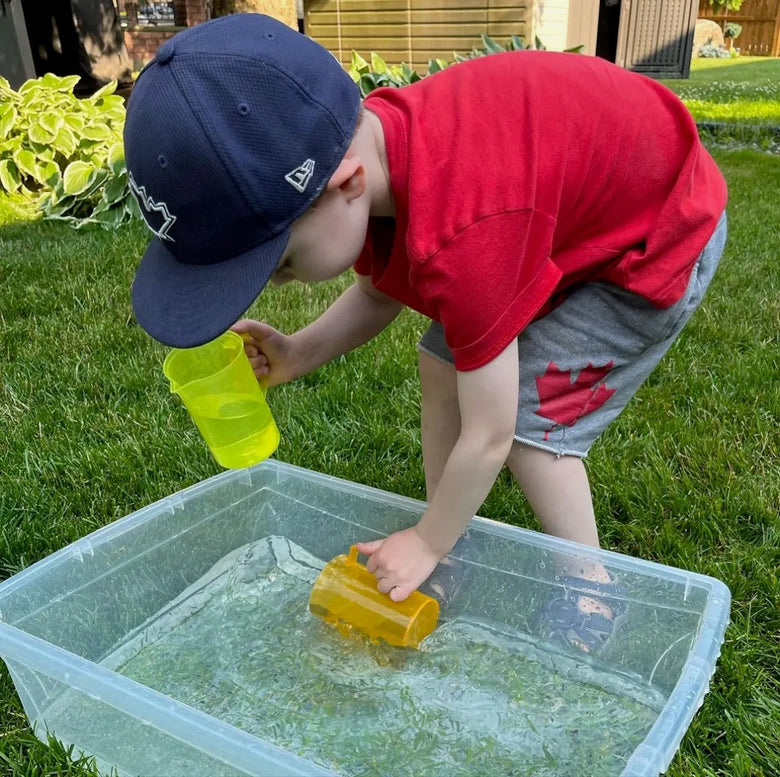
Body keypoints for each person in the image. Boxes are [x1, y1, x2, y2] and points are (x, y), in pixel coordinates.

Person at [124, 14, 728, 652]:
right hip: (557, 213)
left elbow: (490, 434)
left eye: (280, 263)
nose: (275, 285)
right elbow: (380, 291)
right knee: (443, 358)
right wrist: (298, 353)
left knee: (529, 420)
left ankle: (590, 583)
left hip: (649, 235)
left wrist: (424, 540)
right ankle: (450, 536)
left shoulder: (465, 233)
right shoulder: (373, 159)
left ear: (347, 185)